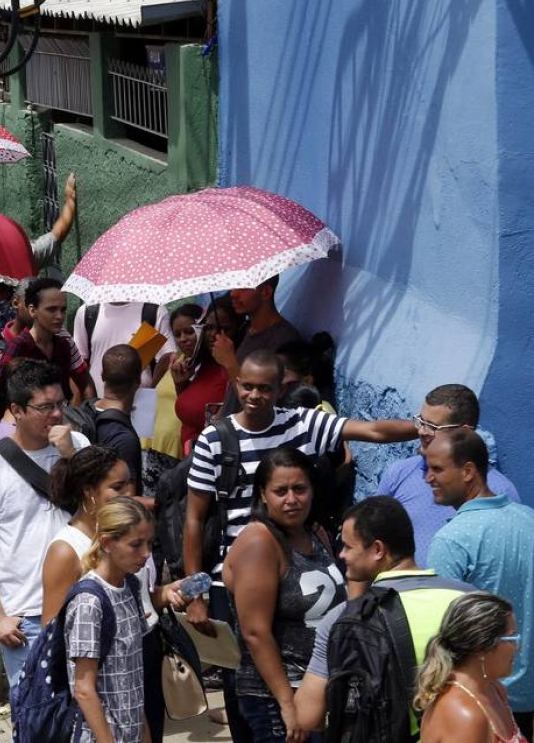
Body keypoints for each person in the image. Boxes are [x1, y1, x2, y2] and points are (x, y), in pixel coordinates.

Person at [183, 350, 418, 743]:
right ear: (236, 384)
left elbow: (373, 431)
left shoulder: (303, 423)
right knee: (247, 682)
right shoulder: (215, 439)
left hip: (301, 562)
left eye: (264, 388)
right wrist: (195, 593)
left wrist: (426, 428)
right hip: (242, 578)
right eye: (247, 386)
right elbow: (194, 518)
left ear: (280, 389)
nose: (254, 396)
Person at [293, 496, 476, 735]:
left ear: (378, 550)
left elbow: (307, 716)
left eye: (348, 546)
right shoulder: (471, 600)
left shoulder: (344, 619)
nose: (341, 555)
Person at [0, 360, 90, 687]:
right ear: (16, 411)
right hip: (27, 616)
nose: (58, 414)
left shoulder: (81, 448)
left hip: (86, 601)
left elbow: (104, 507)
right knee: (35, 717)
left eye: (61, 404)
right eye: (45, 407)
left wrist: (70, 456)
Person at [42, 447, 181, 743]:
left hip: (138, 664)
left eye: (130, 483)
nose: (128, 492)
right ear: (89, 491)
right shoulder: (67, 552)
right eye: (117, 487)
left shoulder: (133, 539)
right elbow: (59, 641)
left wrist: (166, 594)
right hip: (98, 701)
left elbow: (141, 599)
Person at [223, 447, 346, 743]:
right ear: (263, 494)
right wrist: (288, 704)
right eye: (280, 491)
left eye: (299, 489)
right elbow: (255, 632)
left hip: (317, 688)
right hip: (276, 696)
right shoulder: (258, 541)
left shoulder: (315, 533)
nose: (292, 499)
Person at [426, 429, 534, 737]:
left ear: (469, 471)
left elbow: (443, 631)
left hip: (483, 699)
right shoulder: (529, 519)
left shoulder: (452, 540)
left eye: (436, 469)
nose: (428, 478)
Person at [375, 384, 520, 567]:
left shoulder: (500, 491)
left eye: (433, 426)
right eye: (421, 421)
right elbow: (370, 541)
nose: (421, 431)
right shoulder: (399, 473)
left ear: (465, 431)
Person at [65, 496, 154, 743]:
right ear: (106, 543)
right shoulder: (89, 601)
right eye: (136, 545)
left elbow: (132, 676)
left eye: (149, 543)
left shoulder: (131, 586)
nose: (146, 553)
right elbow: (83, 689)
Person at [415, 593, 528, 743]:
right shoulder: (464, 716)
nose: (517, 648)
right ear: (481, 647)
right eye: (512, 639)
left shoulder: (495, 690)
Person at [0, 277, 97, 404]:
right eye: (51, 310)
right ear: (32, 310)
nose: (59, 316)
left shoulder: (64, 344)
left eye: (63, 310)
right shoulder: (17, 347)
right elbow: (0, 396)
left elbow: (85, 381)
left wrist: (89, 414)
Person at [213, 276, 302, 414]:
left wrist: (229, 361)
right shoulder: (246, 329)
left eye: (243, 287)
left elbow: (263, 405)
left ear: (265, 292)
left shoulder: (284, 339)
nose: (233, 293)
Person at [73, 301, 176, 390]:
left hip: (140, 403)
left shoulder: (154, 311)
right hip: (97, 403)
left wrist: (152, 391)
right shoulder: (87, 312)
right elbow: (78, 362)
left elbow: (168, 357)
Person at [169, 302, 229, 450]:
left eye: (189, 331)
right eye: (177, 335)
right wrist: (181, 385)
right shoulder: (188, 367)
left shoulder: (225, 369)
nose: (183, 339)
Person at [90, 344, 144, 487]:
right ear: (138, 380)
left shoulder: (85, 410)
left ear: (102, 376)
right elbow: (125, 499)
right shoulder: (124, 439)